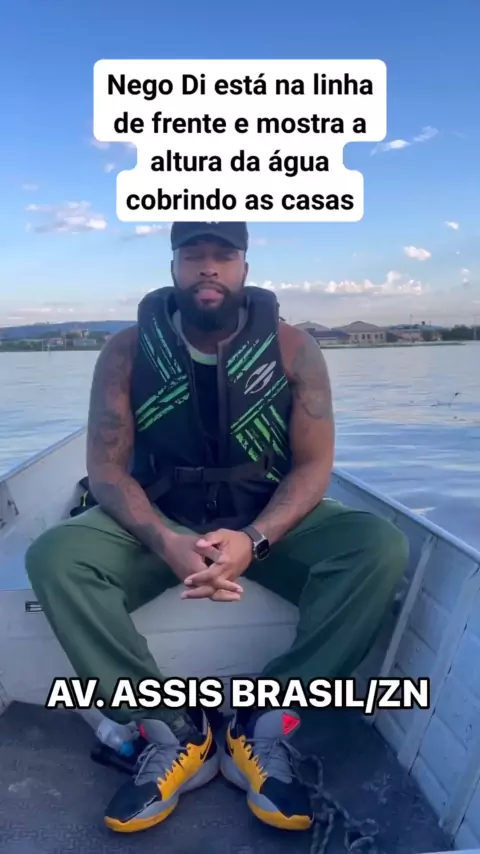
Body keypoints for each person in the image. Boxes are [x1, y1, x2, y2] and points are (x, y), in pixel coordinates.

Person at [26, 221, 408, 835]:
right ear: (173, 268)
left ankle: (264, 720)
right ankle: (175, 731)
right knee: (55, 557)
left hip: (263, 521)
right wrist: (167, 541)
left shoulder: (295, 349)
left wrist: (254, 539)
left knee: (378, 547)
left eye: (223, 256)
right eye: (193, 255)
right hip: (162, 522)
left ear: (244, 269)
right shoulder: (125, 351)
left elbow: (313, 468)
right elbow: (107, 470)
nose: (208, 267)